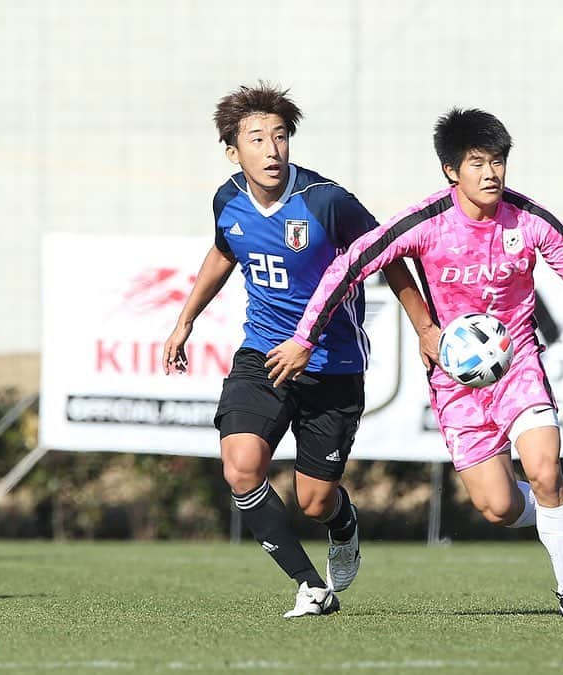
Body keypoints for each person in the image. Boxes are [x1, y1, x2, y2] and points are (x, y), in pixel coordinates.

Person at [267, 108, 563, 618]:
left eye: (499, 161)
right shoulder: (427, 222)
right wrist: (304, 337)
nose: (491, 174)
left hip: (517, 366)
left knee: (544, 469)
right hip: (455, 382)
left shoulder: (527, 219)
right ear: (451, 170)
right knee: (498, 508)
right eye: (478, 162)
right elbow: (352, 263)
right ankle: (560, 513)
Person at [162, 83, 427, 618]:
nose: (272, 150)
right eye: (257, 139)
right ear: (234, 151)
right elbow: (222, 252)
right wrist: (184, 321)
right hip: (262, 354)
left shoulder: (327, 202)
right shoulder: (227, 199)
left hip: (333, 365)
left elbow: (390, 257)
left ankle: (342, 523)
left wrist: (425, 328)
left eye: (280, 137)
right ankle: (309, 585)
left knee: (314, 500)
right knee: (241, 466)